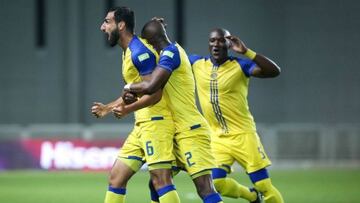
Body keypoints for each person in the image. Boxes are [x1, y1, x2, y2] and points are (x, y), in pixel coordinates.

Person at [120, 19, 223, 203]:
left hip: (191, 130)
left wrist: (129, 87)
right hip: (177, 131)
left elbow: (151, 85)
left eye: (149, 42)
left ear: (152, 41)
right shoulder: (171, 49)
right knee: (156, 183)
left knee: (205, 188)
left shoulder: (171, 53)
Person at [91, 7, 180, 203]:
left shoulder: (139, 53)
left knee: (161, 180)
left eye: (107, 22)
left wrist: (127, 109)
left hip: (156, 123)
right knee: (116, 177)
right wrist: (108, 108)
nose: (102, 27)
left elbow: (155, 94)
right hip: (142, 126)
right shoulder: (129, 51)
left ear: (121, 25)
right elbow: (136, 91)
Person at [188, 28, 284, 203]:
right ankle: (252, 196)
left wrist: (247, 52)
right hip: (217, 138)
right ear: (208, 44)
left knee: (265, 187)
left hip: (243, 136)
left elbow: (274, 71)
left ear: (229, 44)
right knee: (214, 184)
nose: (216, 44)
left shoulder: (241, 65)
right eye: (212, 41)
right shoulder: (196, 63)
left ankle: (259, 193)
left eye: (221, 40)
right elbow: (170, 57)